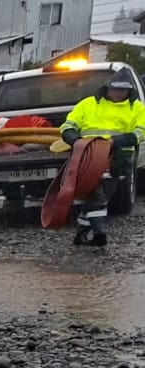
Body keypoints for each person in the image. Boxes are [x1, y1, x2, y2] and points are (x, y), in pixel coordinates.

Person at [60, 75, 145, 247]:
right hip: (88, 156)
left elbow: (140, 132)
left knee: (102, 196)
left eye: (122, 90)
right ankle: (99, 233)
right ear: (107, 87)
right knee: (97, 195)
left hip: (118, 157)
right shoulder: (88, 104)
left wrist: (118, 141)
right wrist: (75, 140)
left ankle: (81, 233)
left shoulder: (137, 108)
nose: (118, 93)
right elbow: (68, 126)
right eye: (115, 89)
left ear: (129, 90)